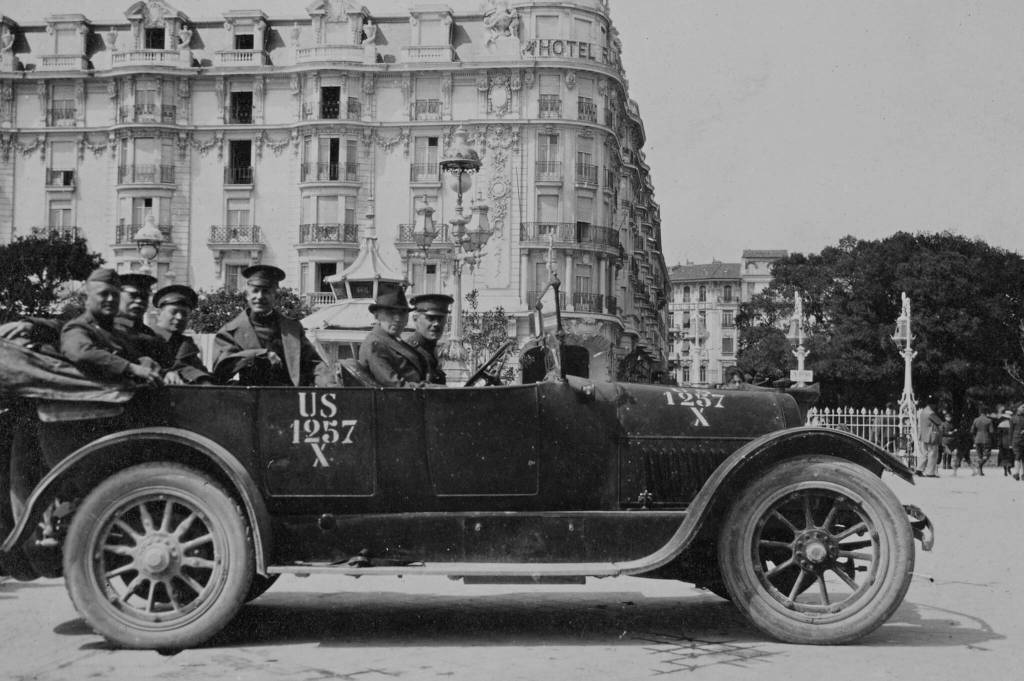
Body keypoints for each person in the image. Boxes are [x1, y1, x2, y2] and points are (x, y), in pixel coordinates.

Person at [212, 265, 330, 386]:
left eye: (266, 291)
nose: (260, 297)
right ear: (247, 295)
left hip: (289, 398)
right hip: (250, 400)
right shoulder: (230, 331)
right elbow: (220, 370)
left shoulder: (292, 328)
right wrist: (260, 354)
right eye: (255, 291)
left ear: (276, 296)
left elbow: (313, 363)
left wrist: (329, 383)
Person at [60, 268, 163, 386]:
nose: (111, 299)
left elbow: (133, 358)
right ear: (85, 298)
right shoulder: (78, 327)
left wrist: (144, 361)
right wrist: (131, 367)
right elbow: (81, 353)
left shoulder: (115, 333)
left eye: (115, 294)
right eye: (103, 294)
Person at [358, 289, 427, 387]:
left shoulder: (394, 341)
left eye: (402, 313)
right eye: (390, 313)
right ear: (377, 316)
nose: (398, 319)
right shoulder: (375, 344)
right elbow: (394, 384)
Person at [151, 285, 213, 385]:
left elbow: (199, 371)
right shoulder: (146, 338)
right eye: (174, 312)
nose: (179, 317)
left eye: (184, 314)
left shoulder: (185, 344)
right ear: (158, 314)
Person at [114, 272, 169, 366]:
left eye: (144, 297)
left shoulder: (153, 336)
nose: (139, 301)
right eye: (133, 295)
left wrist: (170, 373)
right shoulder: (103, 331)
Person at [404, 293, 453, 385]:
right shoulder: (409, 352)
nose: (436, 324)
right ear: (415, 319)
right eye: (430, 318)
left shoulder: (432, 350)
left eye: (440, 319)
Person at [915, 396, 943, 477]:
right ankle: (930, 472)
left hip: (923, 435)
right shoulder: (931, 413)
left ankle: (919, 469)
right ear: (933, 404)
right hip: (931, 436)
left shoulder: (923, 411)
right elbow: (939, 422)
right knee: (932, 454)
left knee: (924, 454)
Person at [970, 405, 994, 476]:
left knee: (980, 455)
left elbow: (972, 431)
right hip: (986, 439)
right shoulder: (989, 420)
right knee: (987, 455)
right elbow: (991, 431)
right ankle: (979, 464)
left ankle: (980, 471)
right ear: (986, 412)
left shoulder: (976, 420)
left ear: (980, 412)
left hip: (977, 439)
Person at [1010, 403, 1024, 481]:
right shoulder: (1013, 418)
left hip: (1018, 440)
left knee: (1019, 457)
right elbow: (1010, 431)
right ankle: (1019, 474)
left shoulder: (1013, 418)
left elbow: (1011, 431)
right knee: (1019, 457)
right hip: (1018, 440)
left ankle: (1019, 473)